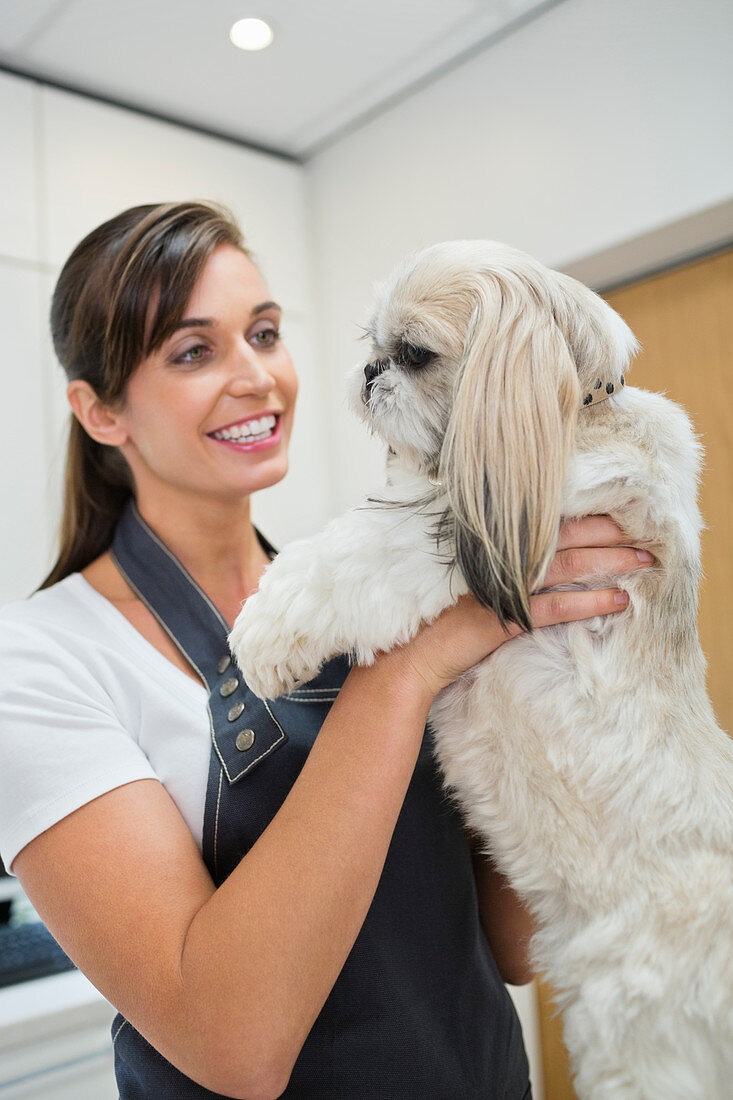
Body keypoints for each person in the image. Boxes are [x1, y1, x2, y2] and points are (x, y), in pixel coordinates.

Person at [0, 202, 653, 1099]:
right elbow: (233, 1045)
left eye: (264, 333)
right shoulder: (41, 661)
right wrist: (408, 673)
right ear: (100, 412)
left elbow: (513, 945)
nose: (256, 377)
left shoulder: (378, 589)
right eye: (194, 352)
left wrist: (560, 663)